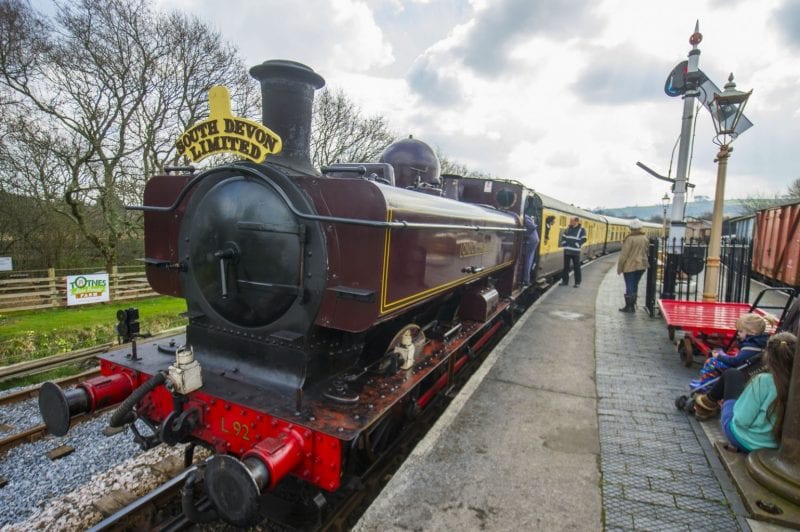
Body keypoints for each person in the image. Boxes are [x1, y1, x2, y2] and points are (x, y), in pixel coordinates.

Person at [693, 332, 796, 452]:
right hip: (774, 444)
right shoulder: (795, 384)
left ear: (767, 356)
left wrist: (733, 403)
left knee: (732, 374)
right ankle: (706, 404)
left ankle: (705, 405)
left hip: (746, 440)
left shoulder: (763, 381)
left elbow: (741, 421)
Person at [689, 312, 772, 390]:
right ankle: (706, 381)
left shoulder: (750, 347)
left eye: (741, 331)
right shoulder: (758, 344)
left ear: (752, 332)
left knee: (711, 361)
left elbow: (735, 361)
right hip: (744, 368)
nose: (738, 333)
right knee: (719, 355)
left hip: (738, 370)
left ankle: (706, 383)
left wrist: (719, 356)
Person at [616, 219, 649, 313]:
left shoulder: (630, 239)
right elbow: (647, 252)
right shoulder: (645, 238)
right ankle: (633, 305)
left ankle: (629, 307)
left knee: (629, 285)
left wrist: (620, 267)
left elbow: (624, 255)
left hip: (630, 266)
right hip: (641, 266)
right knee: (635, 285)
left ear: (631, 228)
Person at [559, 216, 586, 287]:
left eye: (571, 221)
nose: (570, 222)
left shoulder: (581, 230)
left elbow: (584, 239)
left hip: (575, 252)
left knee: (576, 267)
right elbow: (563, 237)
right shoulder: (568, 229)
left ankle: (577, 283)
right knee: (566, 267)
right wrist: (564, 243)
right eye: (570, 221)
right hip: (567, 250)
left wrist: (577, 244)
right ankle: (565, 281)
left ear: (576, 221)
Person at [522, 214, 539, 286]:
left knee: (528, 260)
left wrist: (523, 234)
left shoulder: (524, 216)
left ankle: (526, 280)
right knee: (528, 259)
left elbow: (532, 227)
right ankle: (526, 279)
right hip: (532, 240)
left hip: (531, 240)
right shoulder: (525, 216)